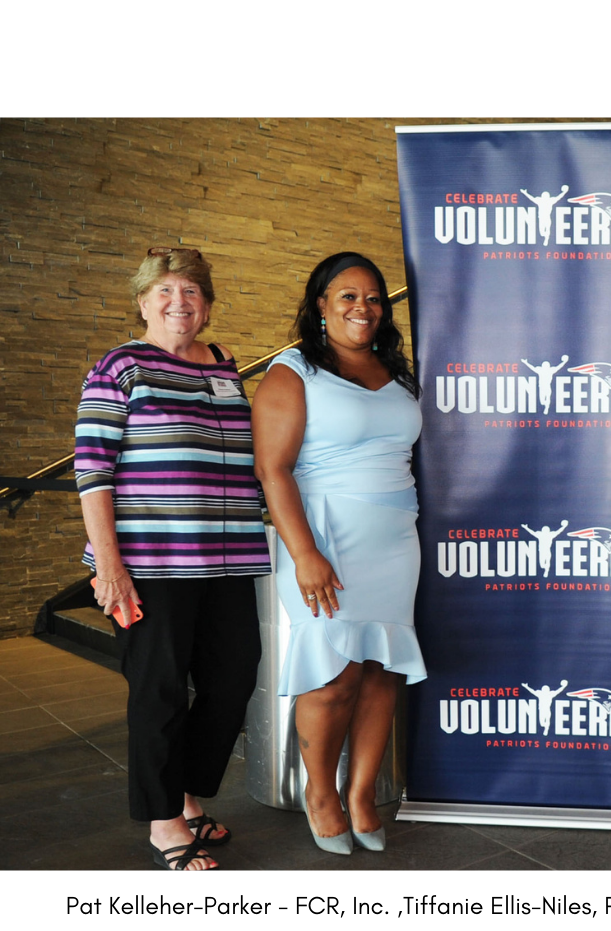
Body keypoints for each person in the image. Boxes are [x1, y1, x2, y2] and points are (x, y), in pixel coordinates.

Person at [75, 247, 271, 871]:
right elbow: (93, 471)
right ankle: (165, 824)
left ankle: (187, 797)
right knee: (158, 691)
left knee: (235, 676)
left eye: (191, 291)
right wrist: (109, 566)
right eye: (165, 291)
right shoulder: (120, 366)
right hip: (151, 562)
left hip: (230, 558)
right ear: (142, 301)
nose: (178, 302)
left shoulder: (224, 366)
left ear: (208, 305)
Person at [252, 252, 426, 856]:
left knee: (380, 672)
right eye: (347, 296)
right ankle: (320, 794)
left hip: (396, 537)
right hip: (324, 538)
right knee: (331, 680)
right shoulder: (293, 371)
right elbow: (273, 471)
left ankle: (361, 797)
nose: (363, 308)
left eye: (374, 298)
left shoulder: (395, 370)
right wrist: (304, 554)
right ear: (320, 305)